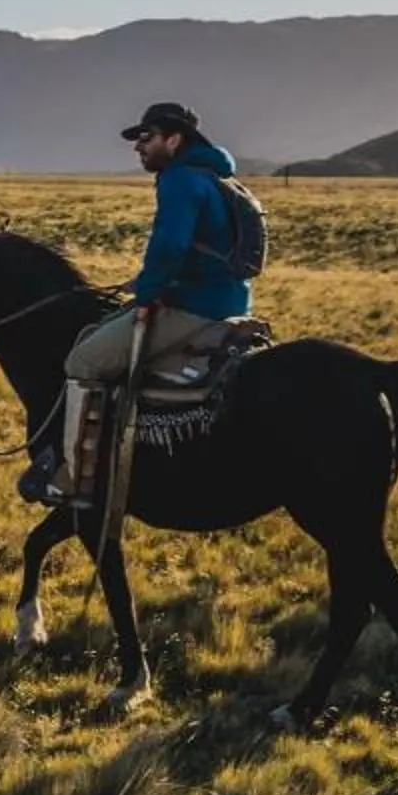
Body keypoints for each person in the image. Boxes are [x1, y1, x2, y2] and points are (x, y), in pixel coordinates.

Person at [21, 100, 259, 506]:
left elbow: (170, 248)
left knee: (84, 361)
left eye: (147, 137)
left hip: (194, 307)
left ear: (174, 139)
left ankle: (73, 476)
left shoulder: (180, 179)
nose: (138, 147)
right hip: (229, 301)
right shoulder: (215, 176)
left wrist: (148, 295)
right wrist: (145, 282)